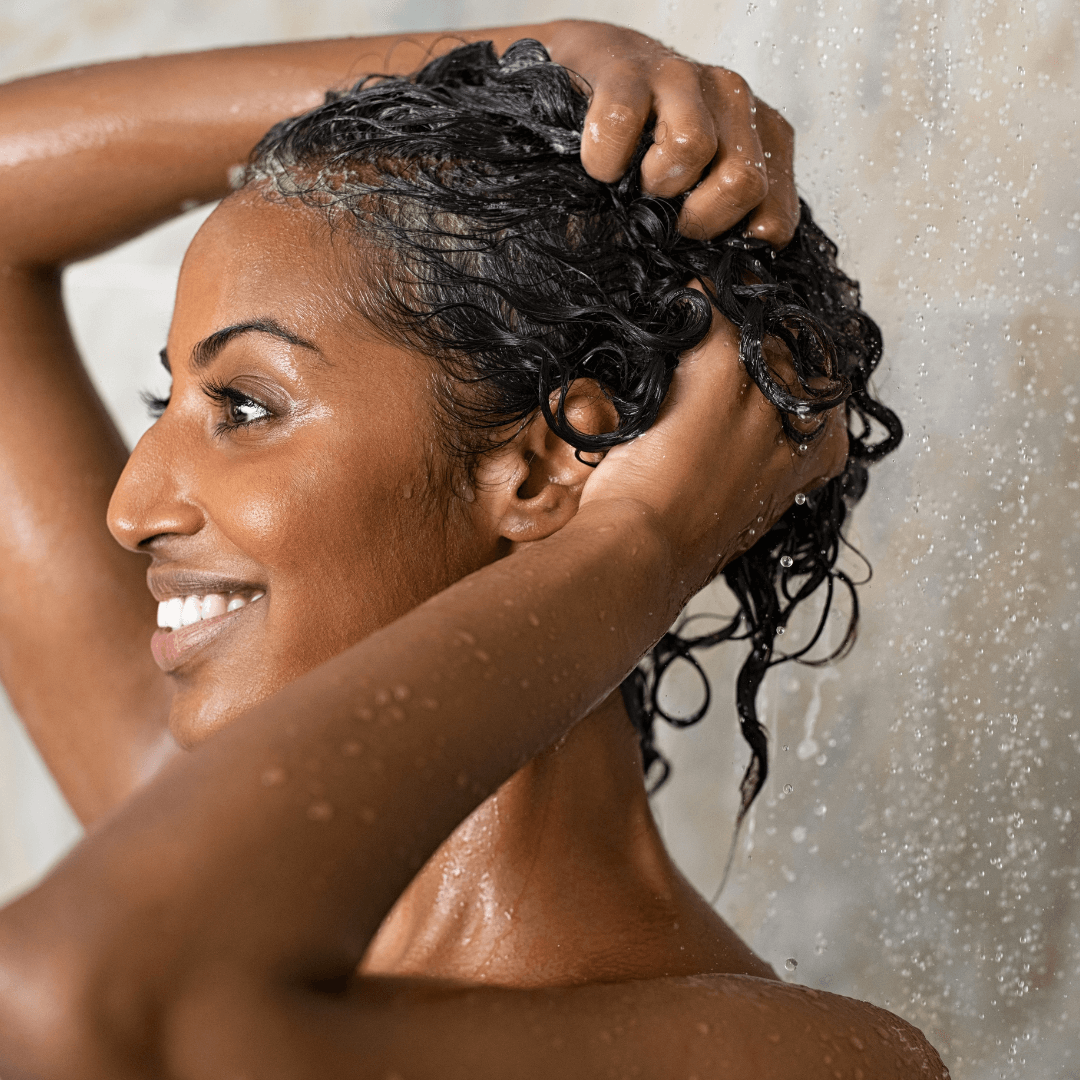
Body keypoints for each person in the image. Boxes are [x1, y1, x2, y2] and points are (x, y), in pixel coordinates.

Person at [0, 20, 946, 1079]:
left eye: (246, 405)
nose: (129, 508)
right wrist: (525, 60)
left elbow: (70, 997)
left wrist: (639, 540)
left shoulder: (807, 1063)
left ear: (540, 473)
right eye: (161, 401)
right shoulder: (178, 847)